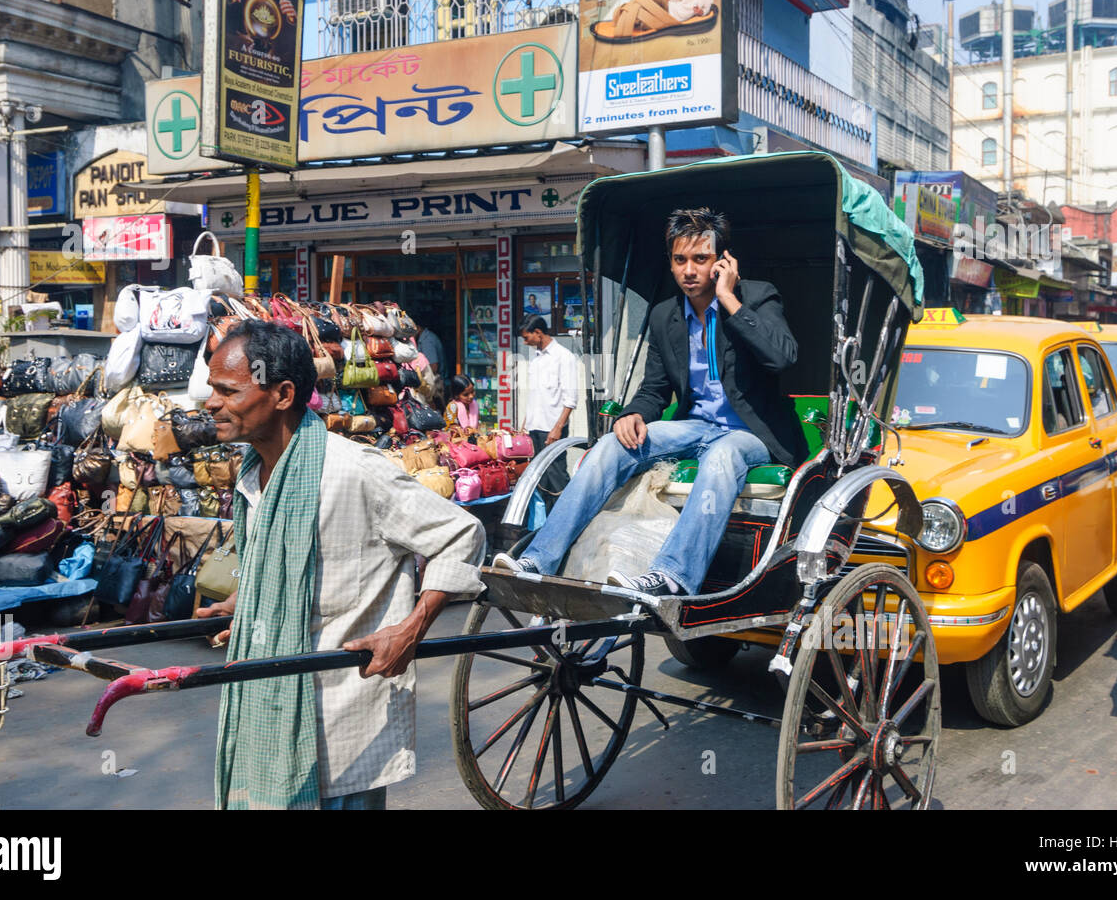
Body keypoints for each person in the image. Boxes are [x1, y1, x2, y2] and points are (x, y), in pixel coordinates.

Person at [195, 321, 485, 810]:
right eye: (213, 390)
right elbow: (300, 568)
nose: (211, 403)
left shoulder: (354, 470)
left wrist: (412, 629)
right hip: (265, 703)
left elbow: (460, 534)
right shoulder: (251, 476)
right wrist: (252, 600)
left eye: (228, 391)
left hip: (343, 714)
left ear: (283, 394)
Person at [495, 207, 805, 597]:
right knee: (611, 445)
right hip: (695, 426)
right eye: (680, 260)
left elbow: (783, 357)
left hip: (752, 432)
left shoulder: (756, 297)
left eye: (700, 259)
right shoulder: (665, 316)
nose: (689, 270)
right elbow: (656, 388)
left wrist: (728, 298)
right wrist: (634, 413)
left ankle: (672, 575)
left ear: (723, 262)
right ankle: (539, 559)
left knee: (723, 456)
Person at [518, 314, 579, 512]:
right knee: (540, 478)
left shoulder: (564, 357)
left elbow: (571, 398)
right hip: (535, 427)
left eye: (527, 338)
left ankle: (567, 518)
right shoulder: (536, 359)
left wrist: (558, 428)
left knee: (557, 478)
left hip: (552, 428)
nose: (525, 342)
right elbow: (535, 396)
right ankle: (545, 526)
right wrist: (525, 425)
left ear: (538, 332)